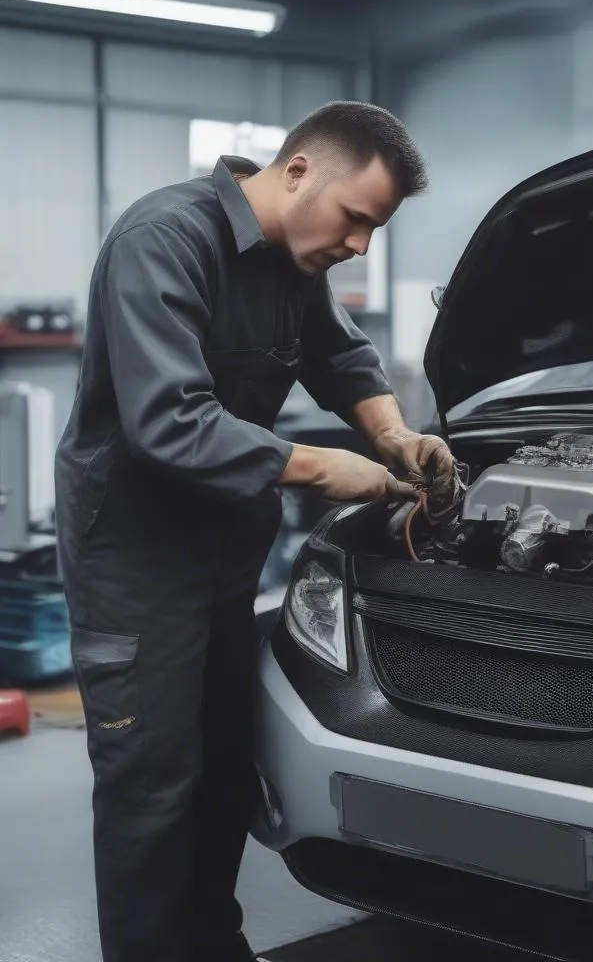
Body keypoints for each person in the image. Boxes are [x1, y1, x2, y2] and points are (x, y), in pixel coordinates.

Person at [54, 102, 455, 962]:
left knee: (226, 770)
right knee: (153, 788)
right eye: (357, 220)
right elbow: (170, 420)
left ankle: (210, 944)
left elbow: (342, 358)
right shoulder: (164, 240)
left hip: (225, 558)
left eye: (376, 231)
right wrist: (323, 465)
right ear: (300, 170)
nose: (360, 247)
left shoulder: (292, 264)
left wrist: (391, 435)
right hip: (136, 564)